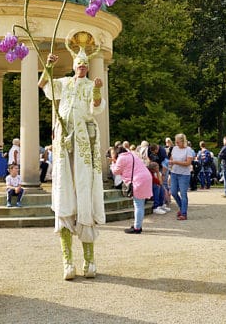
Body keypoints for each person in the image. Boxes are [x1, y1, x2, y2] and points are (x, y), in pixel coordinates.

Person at [38, 48, 105, 280]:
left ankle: (89, 261)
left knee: (84, 193)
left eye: (85, 64)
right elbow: (43, 86)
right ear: (74, 65)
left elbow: (96, 106)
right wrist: (48, 66)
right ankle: (68, 262)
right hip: (63, 141)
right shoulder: (65, 83)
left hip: (84, 141)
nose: (82, 66)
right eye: (78, 63)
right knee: (64, 193)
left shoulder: (89, 85)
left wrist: (96, 89)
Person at [111, 145, 153, 233]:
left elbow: (116, 171)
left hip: (138, 180)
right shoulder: (132, 154)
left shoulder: (121, 158)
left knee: (138, 205)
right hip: (146, 177)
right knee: (140, 204)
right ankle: (137, 225)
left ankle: (137, 228)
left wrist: (113, 162)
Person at [169, 133, 194, 220]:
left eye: (178, 142)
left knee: (183, 193)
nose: (176, 144)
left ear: (183, 142)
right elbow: (172, 158)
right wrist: (170, 162)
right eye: (175, 142)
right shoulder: (174, 149)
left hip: (184, 174)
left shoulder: (188, 150)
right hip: (174, 172)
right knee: (173, 192)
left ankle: (184, 213)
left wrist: (175, 162)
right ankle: (182, 207)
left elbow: (188, 163)